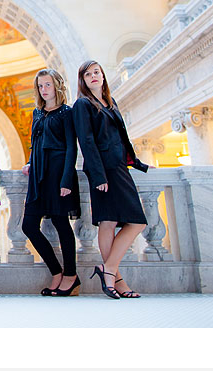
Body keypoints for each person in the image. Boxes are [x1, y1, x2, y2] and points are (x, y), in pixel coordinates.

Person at [73, 60, 149, 299]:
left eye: (97, 72)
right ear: (83, 80)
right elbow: (86, 141)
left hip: (119, 167)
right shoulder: (82, 104)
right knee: (111, 222)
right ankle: (114, 277)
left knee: (129, 221)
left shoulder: (111, 102)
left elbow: (121, 136)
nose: (94, 76)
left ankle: (110, 273)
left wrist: (136, 162)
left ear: (103, 77)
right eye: (88, 74)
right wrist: (97, 174)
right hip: (103, 169)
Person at [21, 69, 81, 297]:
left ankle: (71, 276)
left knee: (61, 224)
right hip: (39, 176)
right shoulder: (37, 113)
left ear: (57, 86)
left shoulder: (67, 113)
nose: (44, 90)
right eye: (40, 86)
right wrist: (29, 162)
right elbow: (35, 142)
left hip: (58, 175)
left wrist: (66, 180)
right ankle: (56, 271)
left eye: (47, 85)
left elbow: (70, 147)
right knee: (28, 225)